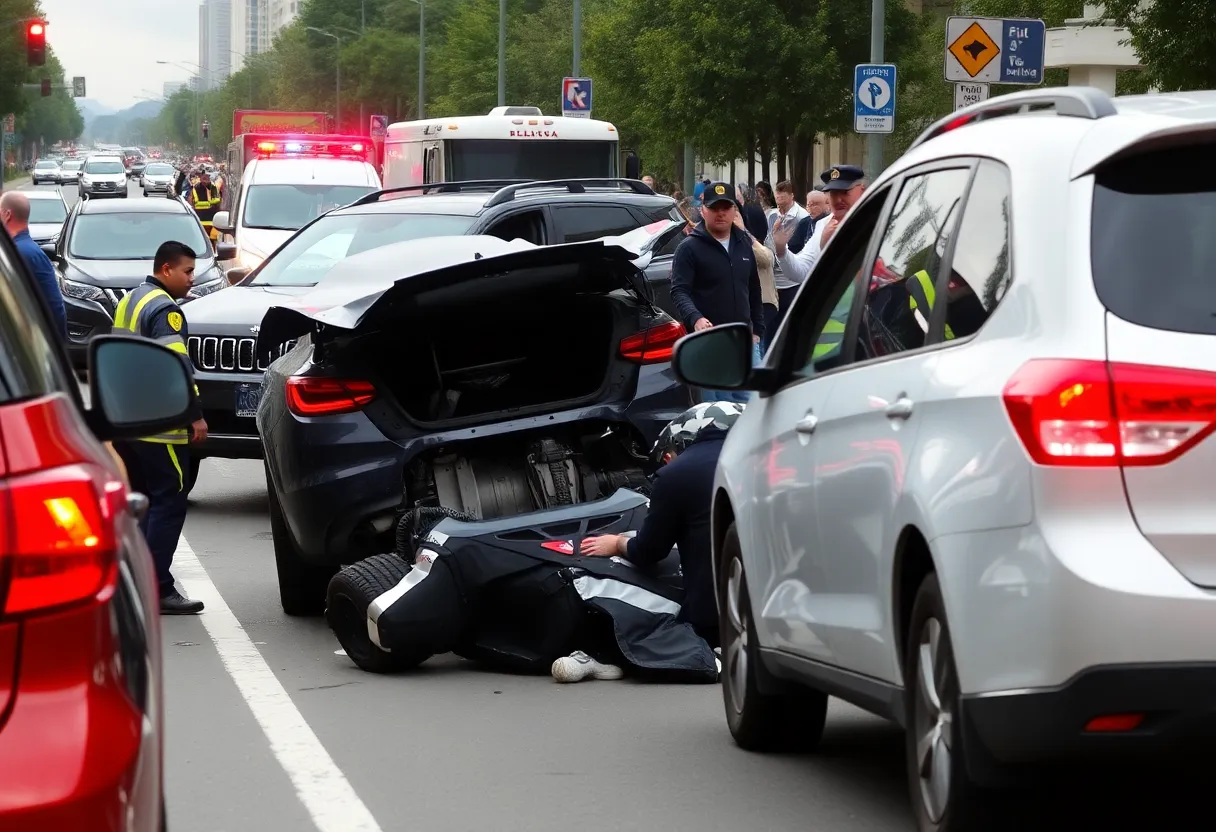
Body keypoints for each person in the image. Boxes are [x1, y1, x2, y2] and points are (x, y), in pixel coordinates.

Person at [557, 400, 746, 685]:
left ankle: (607, 655)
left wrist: (618, 543)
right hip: (785, 596)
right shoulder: (773, 455)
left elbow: (649, 552)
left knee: (651, 612)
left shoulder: (676, 474)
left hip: (716, 611)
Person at [111, 241, 208, 615]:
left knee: (142, 503)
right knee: (170, 501)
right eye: (187, 272)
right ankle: (158, 588)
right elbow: (177, 369)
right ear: (166, 269)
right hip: (160, 425)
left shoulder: (131, 299)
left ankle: (136, 581)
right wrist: (195, 414)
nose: (191, 280)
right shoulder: (166, 310)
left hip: (128, 422)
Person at [669, 181, 765, 403]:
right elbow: (679, 291)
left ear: (734, 210)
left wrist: (757, 330)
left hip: (743, 343)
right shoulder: (689, 248)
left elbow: (753, 288)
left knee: (751, 408)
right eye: (714, 208)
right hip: (708, 344)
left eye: (726, 208)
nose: (720, 214)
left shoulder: (744, 243)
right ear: (703, 210)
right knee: (716, 413)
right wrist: (696, 318)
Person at [773, 164, 867, 287]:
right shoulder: (824, 224)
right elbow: (801, 271)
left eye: (845, 192)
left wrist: (829, 249)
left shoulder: (874, 220)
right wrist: (781, 250)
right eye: (833, 193)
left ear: (862, 190)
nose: (838, 200)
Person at [1, 190, 66, 336]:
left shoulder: (20, 254)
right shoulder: (25, 250)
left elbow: (54, 307)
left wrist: (55, 349)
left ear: (7, 215)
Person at [190, 170, 222, 249]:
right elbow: (196, 203)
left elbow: (218, 199)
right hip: (200, 220)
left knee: (212, 239)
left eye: (207, 179)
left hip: (212, 220)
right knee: (201, 241)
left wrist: (208, 203)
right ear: (200, 179)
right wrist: (210, 203)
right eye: (203, 179)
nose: (205, 181)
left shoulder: (213, 187)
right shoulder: (196, 188)